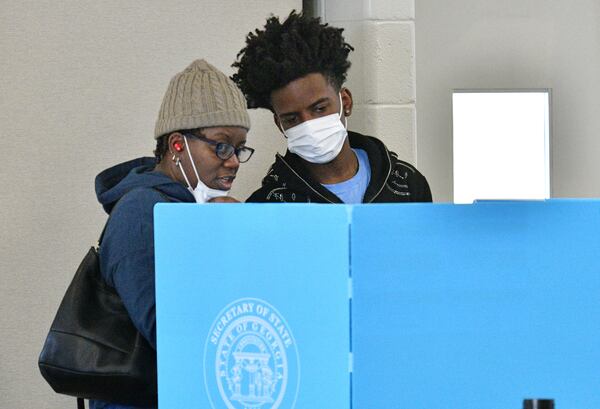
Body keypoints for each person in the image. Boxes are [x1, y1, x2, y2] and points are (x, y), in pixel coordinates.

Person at [91, 59, 253, 409]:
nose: (234, 160)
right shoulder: (140, 212)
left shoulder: (195, 212)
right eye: (221, 146)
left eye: (240, 147)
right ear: (177, 144)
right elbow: (168, 331)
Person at [232, 11, 432, 204]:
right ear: (279, 124)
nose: (309, 126)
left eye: (319, 109)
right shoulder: (268, 204)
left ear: (345, 102)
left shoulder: (407, 185)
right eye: (292, 119)